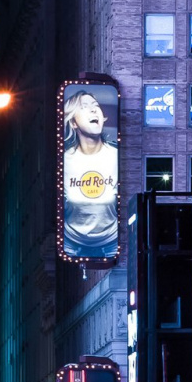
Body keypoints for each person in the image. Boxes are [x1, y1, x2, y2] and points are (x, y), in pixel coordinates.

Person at [62, 88, 118, 259]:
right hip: (72, 243)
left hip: (112, 242)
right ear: (73, 123)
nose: (94, 109)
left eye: (95, 105)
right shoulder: (65, 161)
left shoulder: (116, 155)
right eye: (84, 106)